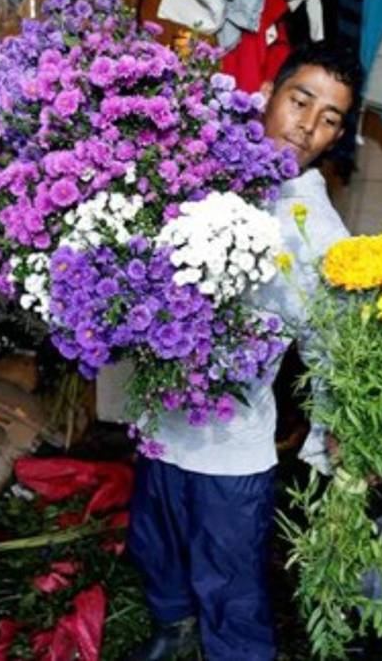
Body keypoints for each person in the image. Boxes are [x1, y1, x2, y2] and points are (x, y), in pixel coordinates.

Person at [125, 42, 360, 661]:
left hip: (231, 446)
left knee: (231, 586)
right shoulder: (202, 167)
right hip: (161, 417)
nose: (308, 126)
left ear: (336, 137)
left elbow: (331, 343)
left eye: (330, 118)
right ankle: (173, 627)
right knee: (156, 542)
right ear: (267, 95)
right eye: (300, 100)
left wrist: (344, 437)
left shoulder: (319, 231)